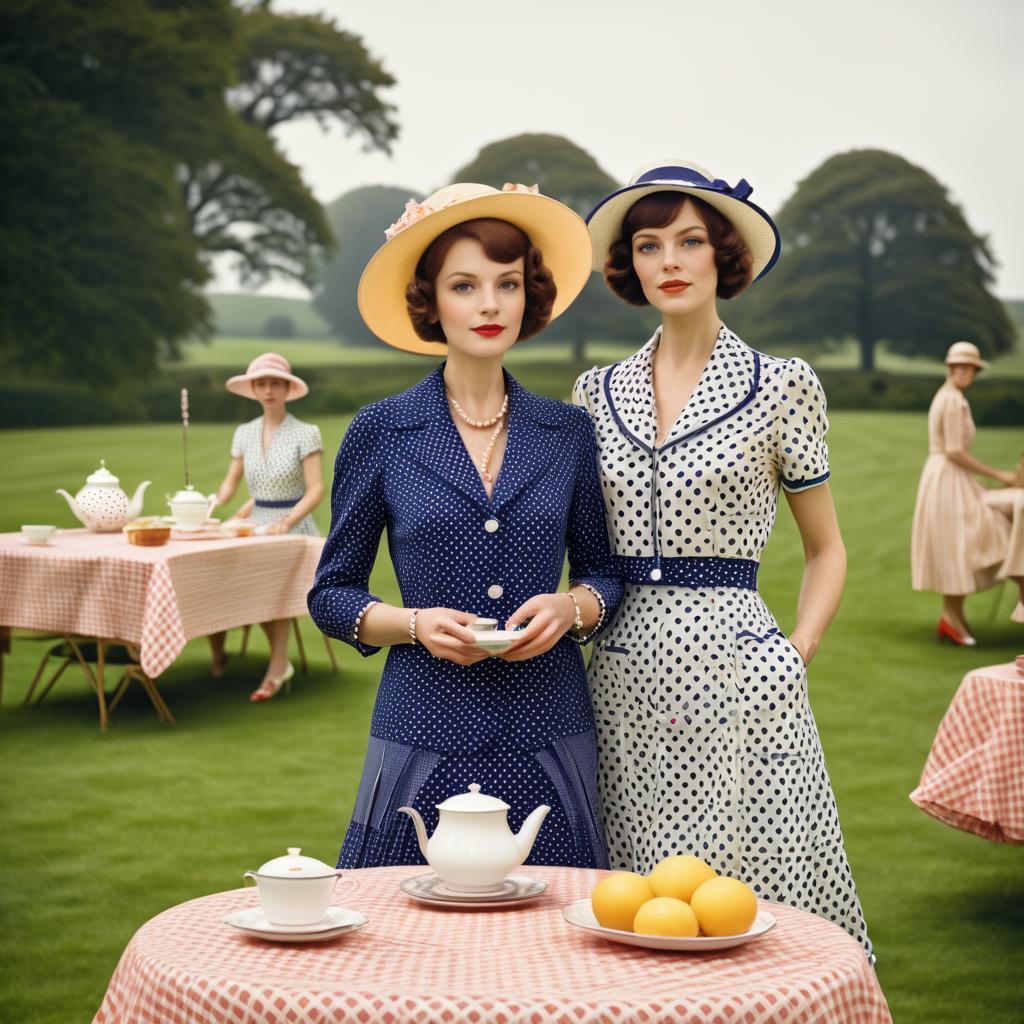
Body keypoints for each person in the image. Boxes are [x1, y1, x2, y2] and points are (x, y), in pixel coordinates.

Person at [575, 160, 871, 954]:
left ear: (723, 257)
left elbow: (827, 548)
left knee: (756, 900)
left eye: (690, 241)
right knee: (633, 904)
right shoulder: (594, 393)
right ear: (629, 266)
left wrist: (796, 651)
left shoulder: (782, 386)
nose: (668, 261)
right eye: (648, 245)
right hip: (621, 675)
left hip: (741, 672)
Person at [308, 182, 622, 871]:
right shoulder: (381, 430)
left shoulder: (567, 432)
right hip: (423, 721)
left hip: (549, 720)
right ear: (431, 300)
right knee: (404, 941)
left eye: (507, 284)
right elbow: (330, 595)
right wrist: (415, 624)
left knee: (557, 940)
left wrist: (573, 607)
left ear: (528, 297)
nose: (488, 304)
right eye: (465, 285)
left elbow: (605, 573)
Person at [209, 352, 324, 701]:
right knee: (218, 573)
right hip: (254, 526)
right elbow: (231, 483)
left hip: (294, 527)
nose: (269, 389)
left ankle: (278, 666)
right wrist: (211, 504)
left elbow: (317, 489)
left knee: (271, 588)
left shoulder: (306, 432)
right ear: (253, 389)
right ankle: (218, 654)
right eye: (262, 383)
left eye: (275, 383)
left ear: (288, 388)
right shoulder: (244, 433)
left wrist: (285, 522)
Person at [911, 341, 1023, 643]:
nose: (966, 372)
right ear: (950, 368)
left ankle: (951, 619)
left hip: (946, 475)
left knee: (960, 544)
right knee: (974, 538)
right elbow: (954, 450)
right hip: (947, 476)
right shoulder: (952, 400)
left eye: (971, 368)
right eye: (961, 366)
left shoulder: (949, 396)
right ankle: (954, 618)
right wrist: (998, 473)